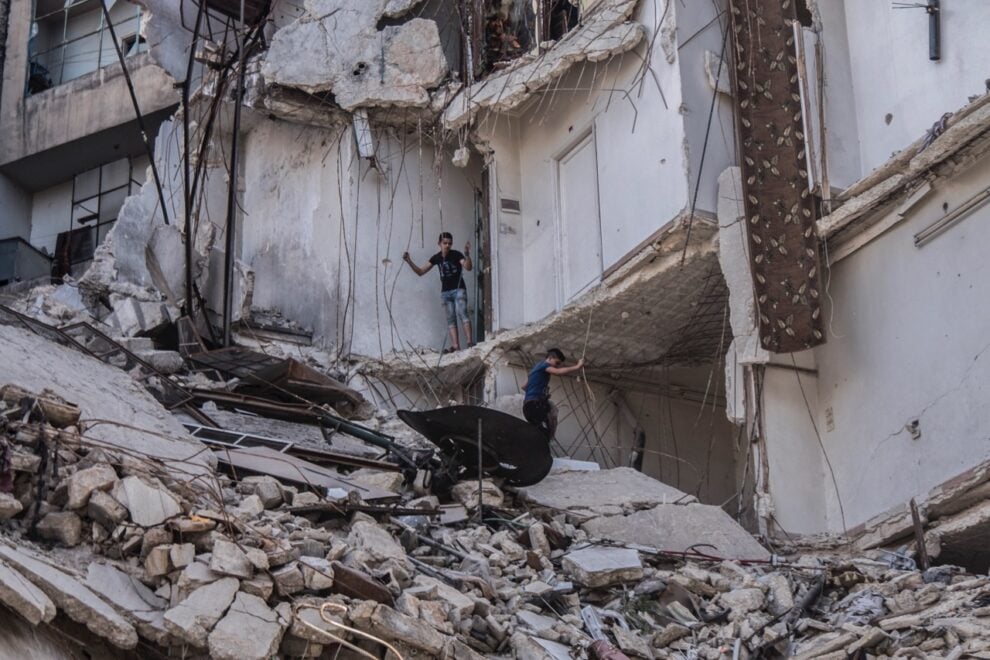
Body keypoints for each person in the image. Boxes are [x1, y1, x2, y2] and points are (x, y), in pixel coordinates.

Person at [403, 232, 474, 352]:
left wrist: (467, 254)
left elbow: (468, 267)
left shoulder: (456, 254)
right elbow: (420, 272)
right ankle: (455, 346)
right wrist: (409, 261)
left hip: (459, 289)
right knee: (451, 318)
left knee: (462, 313)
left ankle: (469, 342)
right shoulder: (436, 258)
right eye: (445, 243)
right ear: (439, 244)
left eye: (449, 243)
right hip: (445, 293)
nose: (447, 246)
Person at [522, 348, 584, 440]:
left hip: (527, 407)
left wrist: (538, 392)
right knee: (550, 420)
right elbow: (558, 372)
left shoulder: (534, 370)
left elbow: (523, 386)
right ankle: (550, 440)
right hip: (535, 405)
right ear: (550, 358)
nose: (557, 367)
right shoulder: (544, 365)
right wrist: (577, 366)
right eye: (557, 363)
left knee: (537, 431)